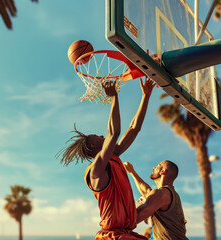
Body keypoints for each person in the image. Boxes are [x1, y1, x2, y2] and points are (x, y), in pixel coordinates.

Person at [58, 78, 155, 239]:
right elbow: (113, 133)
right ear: (93, 147)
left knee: (157, 197)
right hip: (112, 236)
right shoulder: (95, 170)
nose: (102, 135)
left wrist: (146, 96)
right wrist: (114, 98)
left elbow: (134, 128)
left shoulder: (113, 157)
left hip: (125, 232)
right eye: (98, 137)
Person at [124, 161, 188, 240]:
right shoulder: (169, 194)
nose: (154, 167)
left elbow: (132, 219)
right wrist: (132, 172)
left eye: (158, 165)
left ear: (162, 171)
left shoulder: (161, 194)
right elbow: (147, 191)